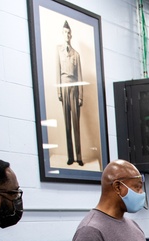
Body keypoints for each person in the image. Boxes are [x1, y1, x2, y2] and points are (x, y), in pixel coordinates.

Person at [57, 21, 83, 166]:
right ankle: (70, 156)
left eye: (68, 32)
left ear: (71, 34)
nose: (67, 35)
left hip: (74, 88)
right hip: (64, 85)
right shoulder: (59, 51)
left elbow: (80, 76)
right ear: (63, 34)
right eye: (64, 32)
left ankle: (79, 156)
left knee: (75, 124)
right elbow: (57, 70)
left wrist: (81, 96)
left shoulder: (76, 55)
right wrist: (58, 91)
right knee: (67, 124)